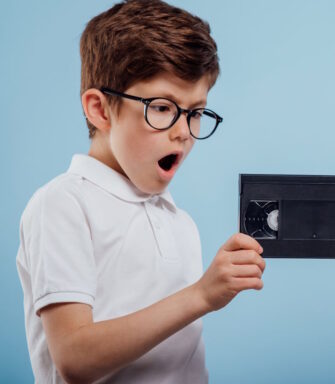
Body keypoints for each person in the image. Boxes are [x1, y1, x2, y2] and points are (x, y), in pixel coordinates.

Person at [16, 1, 266, 382]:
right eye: (162, 107)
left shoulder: (180, 222)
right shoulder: (63, 204)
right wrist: (200, 296)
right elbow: (74, 360)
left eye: (196, 112)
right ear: (100, 110)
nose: (183, 131)